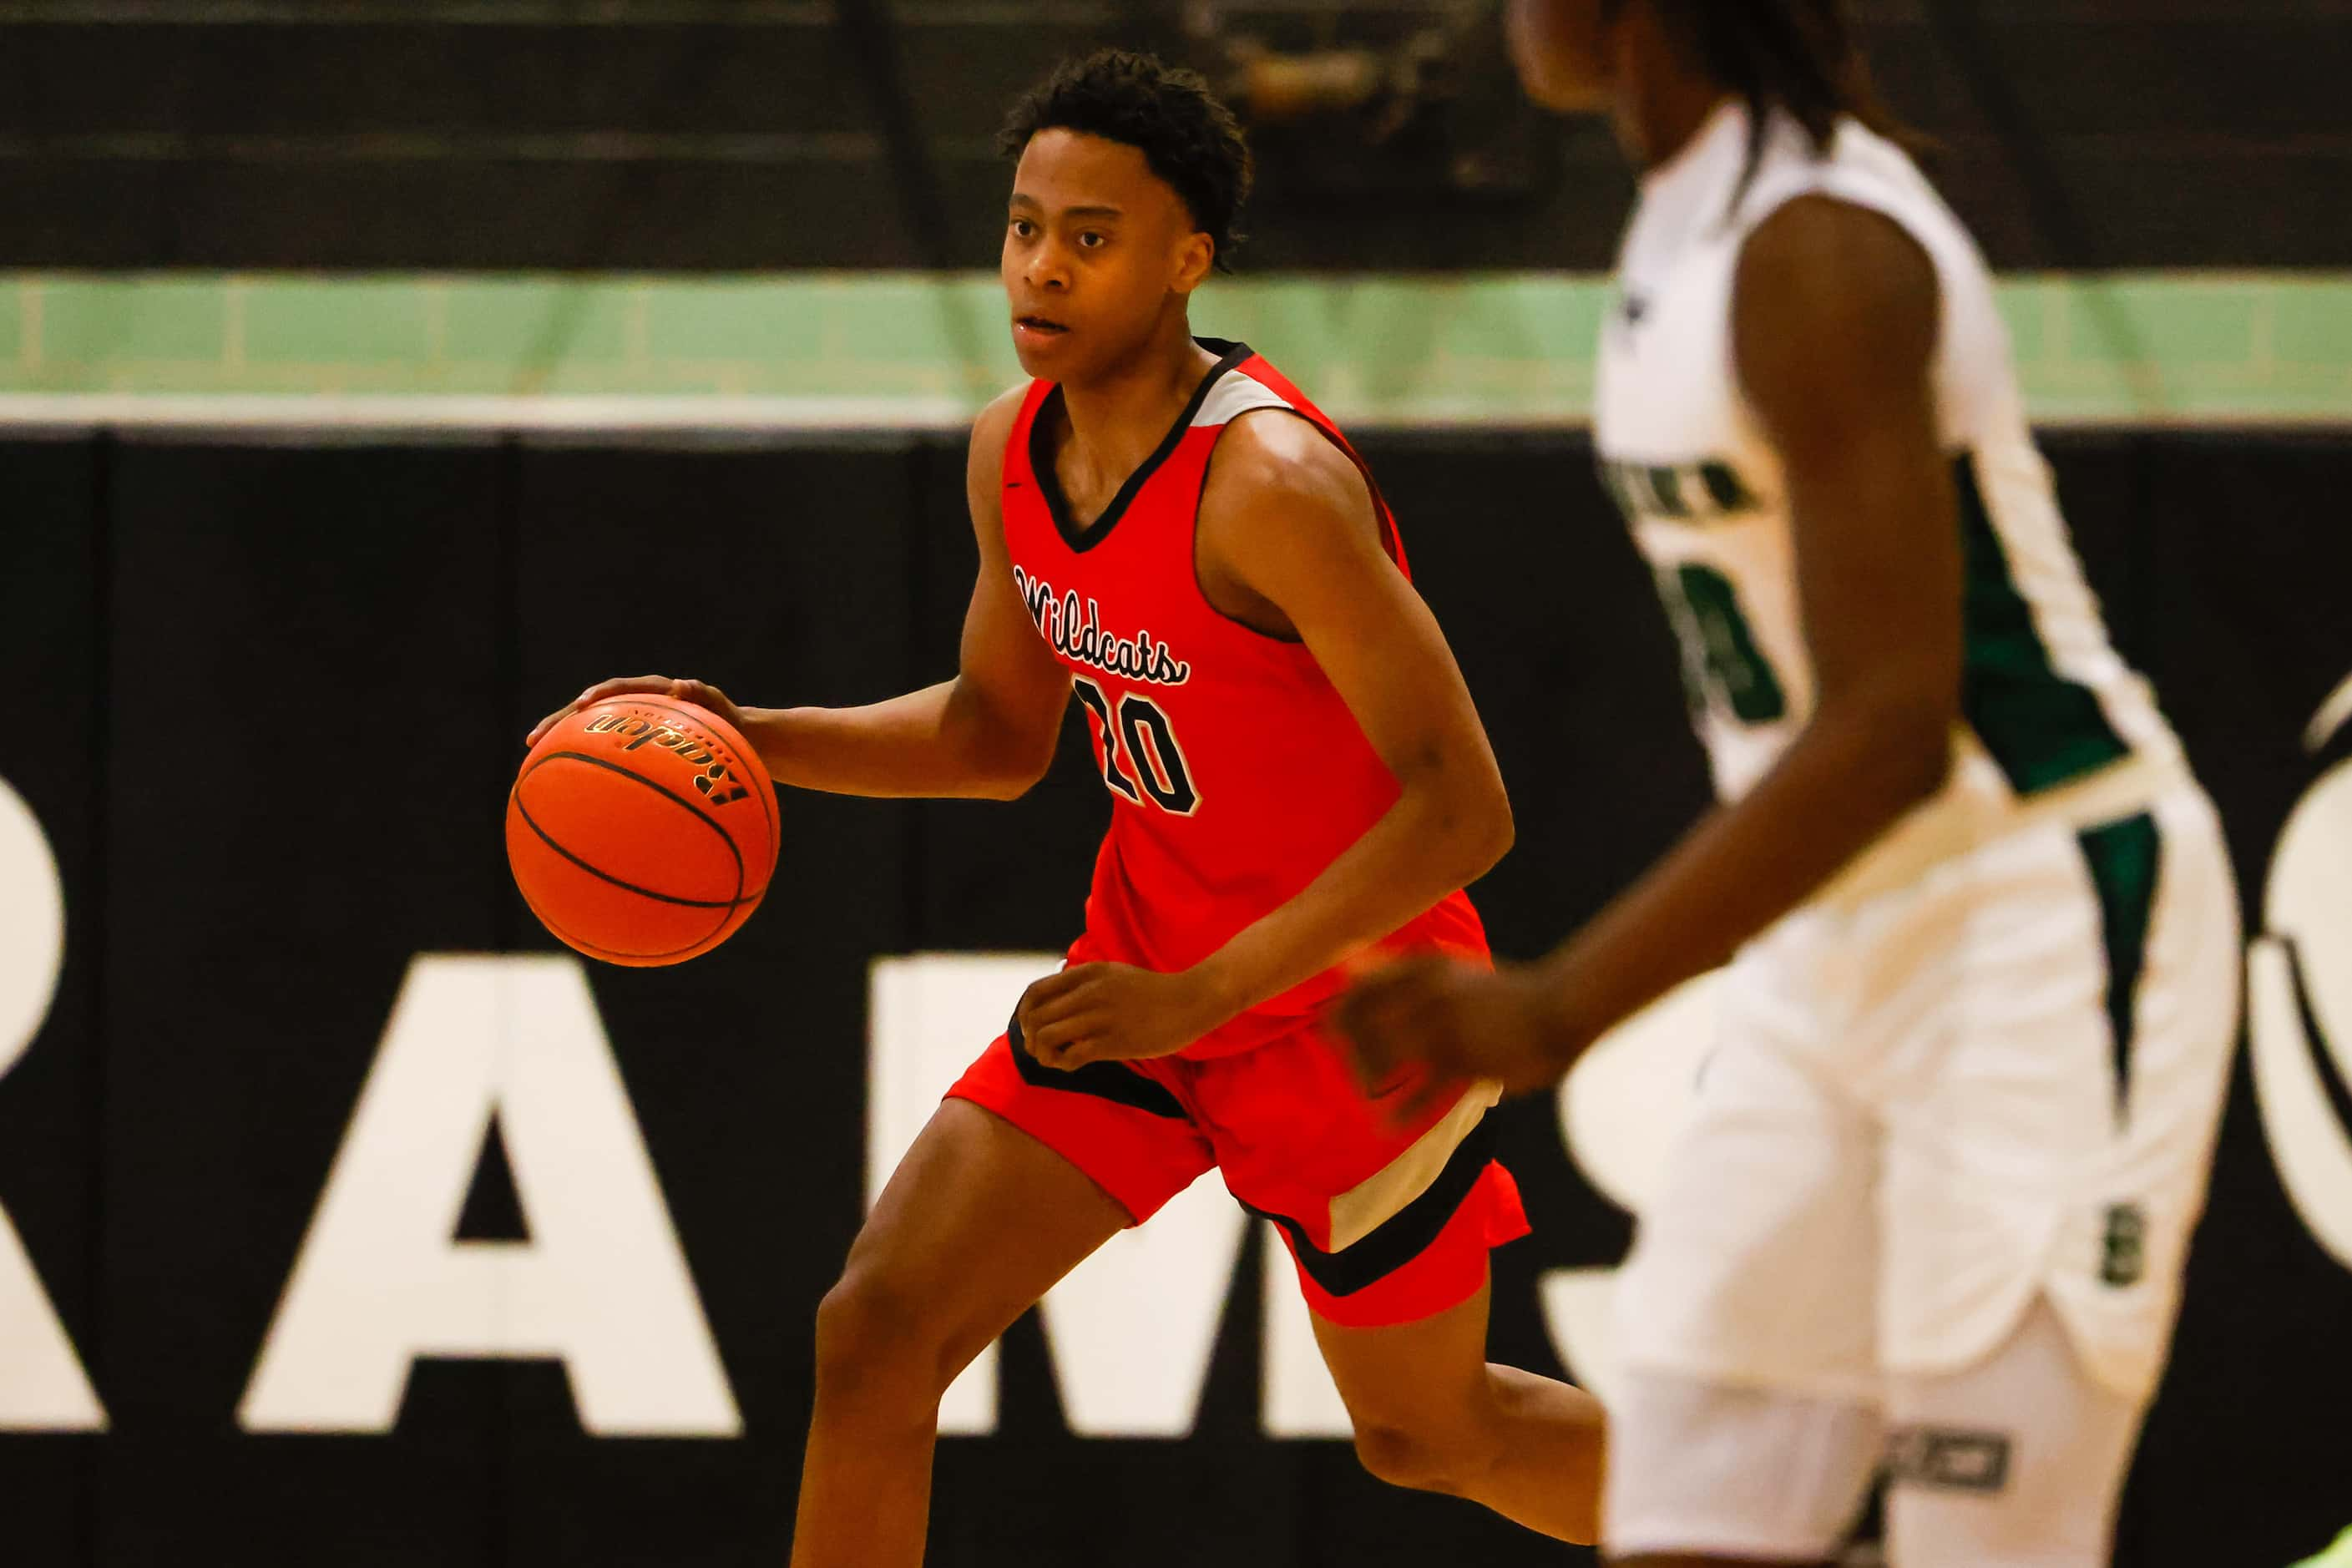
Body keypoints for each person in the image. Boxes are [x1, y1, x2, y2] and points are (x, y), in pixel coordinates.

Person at [529, 47, 1603, 1568]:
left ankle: (1777, 1529)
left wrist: (1203, 995)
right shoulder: (1014, 456)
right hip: (1143, 982)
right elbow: (993, 733)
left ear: (1187, 258)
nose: (1040, 267)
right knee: (878, 1334)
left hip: (1348, 1011)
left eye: (1088, 237)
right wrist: (751, 736)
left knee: (1429, 1435)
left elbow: (1465, 808)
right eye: (1025, 225)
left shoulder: (1273, 485)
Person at [1338, 4, 2240, 1565]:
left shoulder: (1818, 243)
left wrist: (1561, 1007)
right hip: (1838, 950)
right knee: (1688, 1518)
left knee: (1996, 1543)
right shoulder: (1686, 211)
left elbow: (1894, 726)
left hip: (2042, 916)